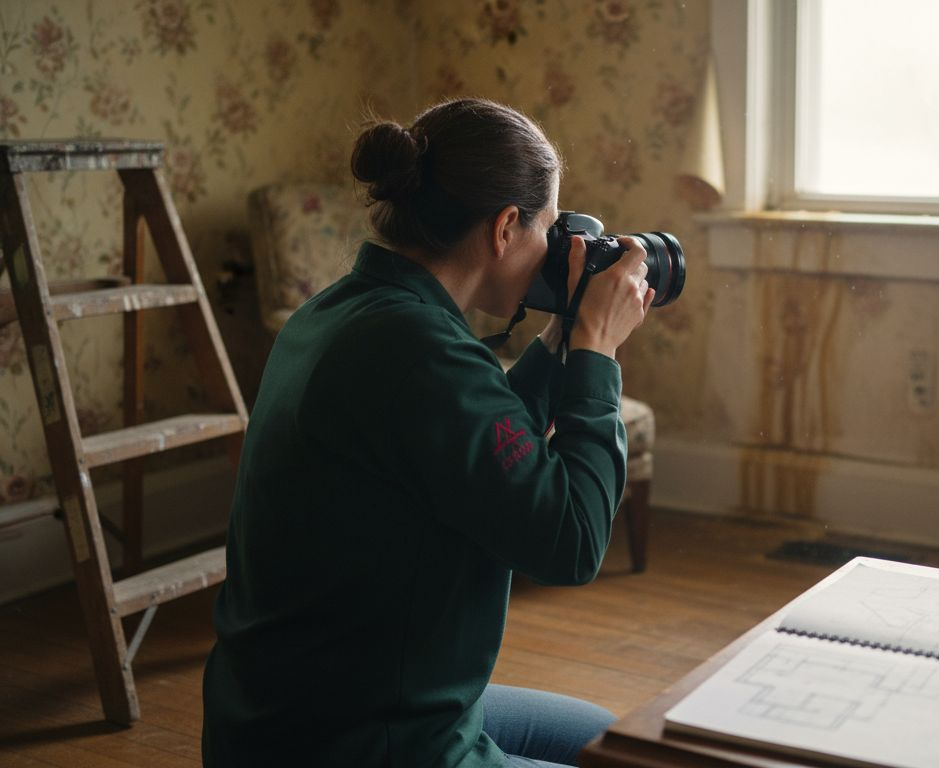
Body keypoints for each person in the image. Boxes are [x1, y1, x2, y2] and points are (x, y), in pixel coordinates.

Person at [202, 98, 654, 767]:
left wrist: (562, 333)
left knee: (604, 735)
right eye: (548, 227)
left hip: (283, 718)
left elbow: (477, 432)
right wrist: (595, 349)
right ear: (505, 227)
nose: (554, 245)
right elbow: (573, 541)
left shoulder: (340, 312)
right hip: (365, 745)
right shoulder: (422, 351)